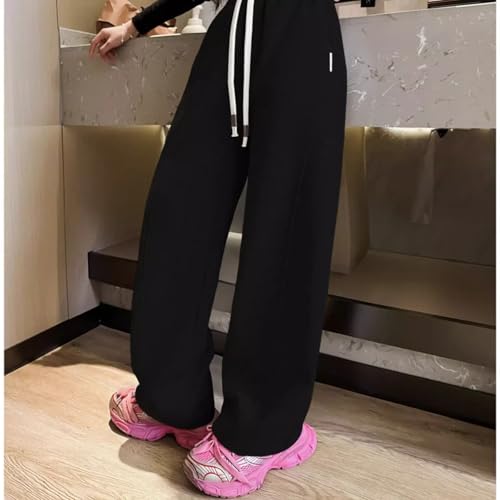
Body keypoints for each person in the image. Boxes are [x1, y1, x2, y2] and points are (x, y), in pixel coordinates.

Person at [89, 0, 347, 496]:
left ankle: (263, 431)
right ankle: (171, 397)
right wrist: (138, 23)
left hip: (302, 29)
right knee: (178, 210)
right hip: (232, 34)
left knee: (285, 230)